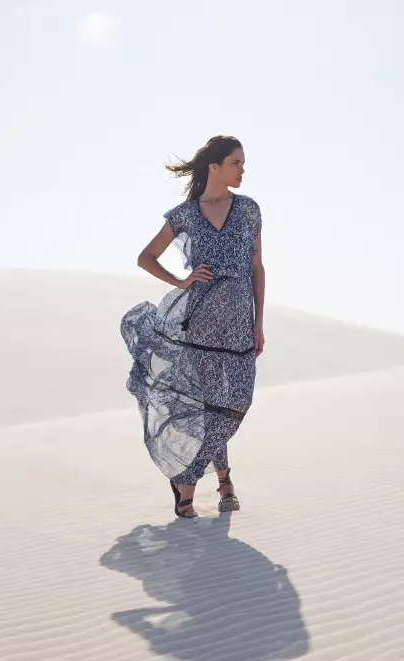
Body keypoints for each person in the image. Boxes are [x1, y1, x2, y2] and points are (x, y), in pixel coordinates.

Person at [120, 135, 265, 518]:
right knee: (211, 405)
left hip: (238, 321)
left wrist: (259, 323)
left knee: (236, 402)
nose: (243, 169)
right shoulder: (185, 214)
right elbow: (145, 258)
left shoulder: (249, 210)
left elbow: (256, 267)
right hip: (199, 322)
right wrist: (182, 281)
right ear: (214, 166)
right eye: (236, 163)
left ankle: (200, 475)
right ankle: (216, 483)